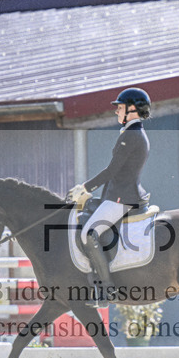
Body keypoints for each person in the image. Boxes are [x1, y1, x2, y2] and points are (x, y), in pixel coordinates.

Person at [67, 87, 152, 306]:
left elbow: (111, 171)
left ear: (132, 110)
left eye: (120, 108)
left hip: (122, 198)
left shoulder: (132, 135)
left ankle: (107, 290)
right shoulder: (132, 133)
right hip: (117, 194)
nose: (116, 112)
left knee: (88, 234)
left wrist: (85, 187)